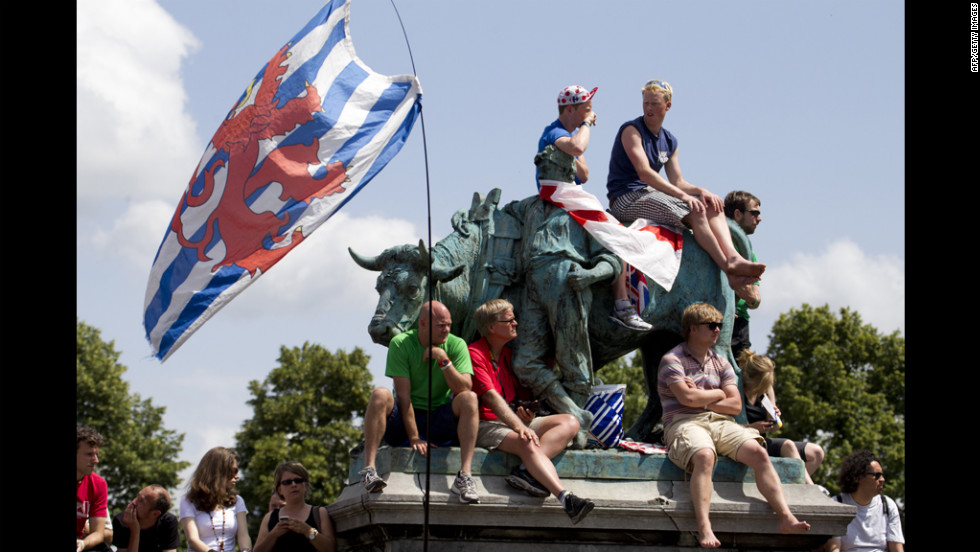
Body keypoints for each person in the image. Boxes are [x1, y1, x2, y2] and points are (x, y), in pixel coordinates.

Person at [658, 303, 810, 548]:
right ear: (693, 329)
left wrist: (703, 396)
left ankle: (785, 517)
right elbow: (687, 400)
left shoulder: (722, 362)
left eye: (719, 325)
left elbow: (735, 406)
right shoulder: (671, 359)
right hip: (683, 422)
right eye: (712, 325)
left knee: (760, 453)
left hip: (721, 422)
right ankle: (704, 527)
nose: (718, 330)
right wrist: (717, 394)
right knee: (705, 456)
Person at [606, 79, 766, 292]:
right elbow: (645, 174)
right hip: (626, 198)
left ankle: (734, 257)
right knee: (694, 210)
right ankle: (728, 268)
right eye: (646, 103)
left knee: (711, 204)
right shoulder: (632, 130)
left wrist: (702, 192)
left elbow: (678, 181)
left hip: (649, 193)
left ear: (668, 106)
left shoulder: (669, 140)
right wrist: (684, 198)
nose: (649, 108)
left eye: (654, 103)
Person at [536, 84, 652, 332]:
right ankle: (622, 304)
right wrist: (585, 126)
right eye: (586, 109)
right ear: (570, 109)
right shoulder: (554, 132)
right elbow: (578, 148)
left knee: (614, 229)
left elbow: (584, 173)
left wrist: (576, 138)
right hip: (557, 194)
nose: (591, 112)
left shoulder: (566, 136)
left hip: (571, 193)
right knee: (615, 235)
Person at [468, 299, 595, 524]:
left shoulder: (509, 356)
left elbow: (516, 399)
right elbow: (491, 398)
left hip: (511, 421)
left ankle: (526, 473)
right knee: (527, 441)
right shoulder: (474, 353)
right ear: (491, 327)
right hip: (486, 424)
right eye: (509, 320)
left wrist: (525, 414)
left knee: (570, 422)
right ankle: (566, 498)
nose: (515, 323)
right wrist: (519, 426)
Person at [359, 301, 482, 503]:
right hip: (406, 419)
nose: (447, 330)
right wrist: (415, 437)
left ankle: (465, 477)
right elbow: (403, 396)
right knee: (380, 394)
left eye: (449, 325)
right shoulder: (401, 344)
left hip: (439, 418)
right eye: (441, 325)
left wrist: (443, 359)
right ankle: (369, 470)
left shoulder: (456, 344)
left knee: (469, 398)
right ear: (423, 324)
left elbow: (464, 387)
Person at [738, 349, 825, 485]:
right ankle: (808, 489)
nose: (762, 390)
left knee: (816, 452)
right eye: (760, 386)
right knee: (788, 445)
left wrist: (774, 419)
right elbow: (723, 426)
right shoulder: (735, 390)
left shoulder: (766, 390)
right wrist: (752, 428)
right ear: (747, 375)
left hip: (763, 442)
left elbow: (775, 428)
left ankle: (797, 489)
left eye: (766, 386)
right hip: (743, 442)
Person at [825, 451, 905, 552]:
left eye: (882, 475)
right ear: (859, 477)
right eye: (877, 475)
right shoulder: (837, 504)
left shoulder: (888, 505)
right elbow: (833, 549)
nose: (882, 479)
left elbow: (896, 549)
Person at [179, 446, 252, 552]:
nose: (237, 476)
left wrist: (246, 550)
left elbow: (244, 535)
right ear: (218, 472)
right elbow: (193, 540)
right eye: (234, 471)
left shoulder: (238, 500)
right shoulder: (188, 501)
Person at [254, 462, 336, 552]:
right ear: (279, 489)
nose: (293, 485)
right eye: (287, 482)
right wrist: (274, 534)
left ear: (305, 485)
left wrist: (308, 531)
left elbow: (330, 548)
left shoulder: (319, 513)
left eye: (298, 480)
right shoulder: (269, 518)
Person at [724, 191, 763, 358]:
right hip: (714, 321)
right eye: (754, 213)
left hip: (740, 325)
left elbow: (755, 300)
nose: (759, 219)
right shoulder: (715, 244)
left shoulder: (749, 253)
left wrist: (750, 297)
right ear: (738, 214)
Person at [112, 485, 180, 552]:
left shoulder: (168, 522)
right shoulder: (122, 520)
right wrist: (135, 532)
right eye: (137, 496)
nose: (133, 502)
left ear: (155, 514)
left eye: (141, 500)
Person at [77, 426, 111, 552]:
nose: (96, 460)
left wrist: (83, 544)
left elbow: (98, 533)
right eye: (89, 454)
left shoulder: (98, 484)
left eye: (96, 454)